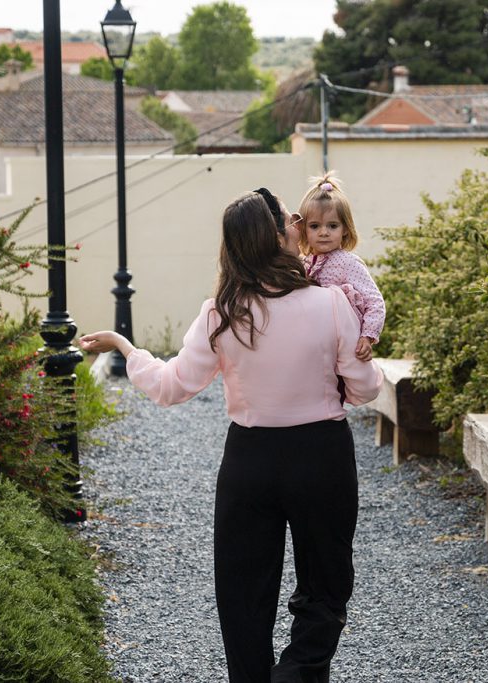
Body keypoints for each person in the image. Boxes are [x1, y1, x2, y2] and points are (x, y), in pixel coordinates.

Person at [78, 188, 382, 683]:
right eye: (293, 220)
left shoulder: (222, 311)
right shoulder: (332, 304)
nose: (303, 223)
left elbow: (171, 386)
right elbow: (366, 389)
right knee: (326, 584)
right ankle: (299, 674)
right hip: (321, 456)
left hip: (250, 462)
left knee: (243, 595)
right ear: (279, 238)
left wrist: (124, 347)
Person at [297, 174, 385, 363]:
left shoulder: (348, 263)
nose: (323, 232)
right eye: (314, 226)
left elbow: (375, 302)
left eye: (332, 225)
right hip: (312, 347)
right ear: (304, 229)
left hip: (343, 347)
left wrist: (367, 337)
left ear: (345, 228)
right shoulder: (302, 263)